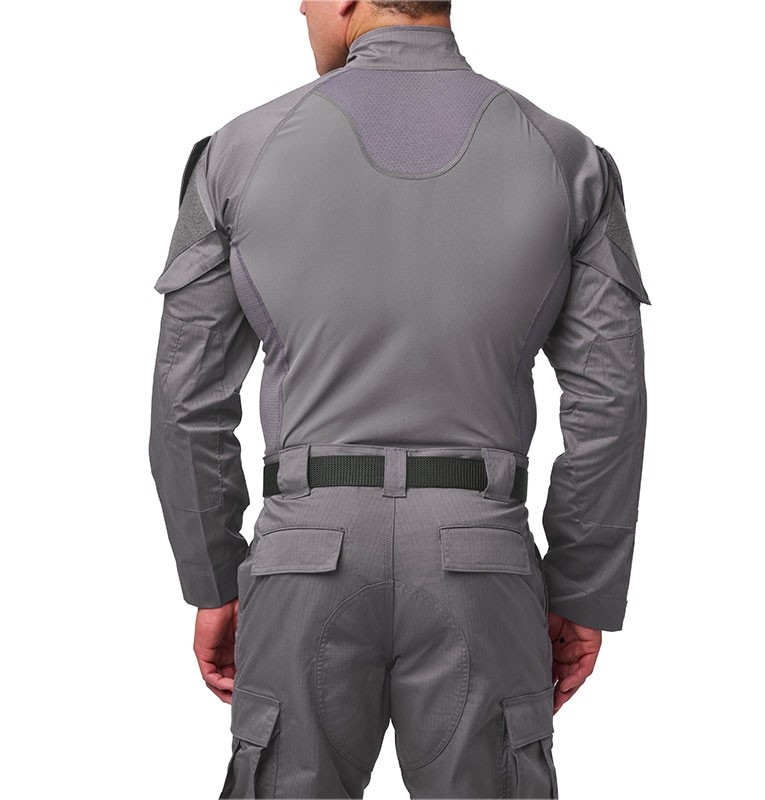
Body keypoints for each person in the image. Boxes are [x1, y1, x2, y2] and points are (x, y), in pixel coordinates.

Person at [148, 1, 651, 797]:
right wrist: (582, 587)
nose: (301, 6)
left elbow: (186, 400)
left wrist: (214, 580)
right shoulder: (567, 158)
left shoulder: (237, 153)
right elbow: (608, 403)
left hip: (304, 561)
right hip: (481, 562)